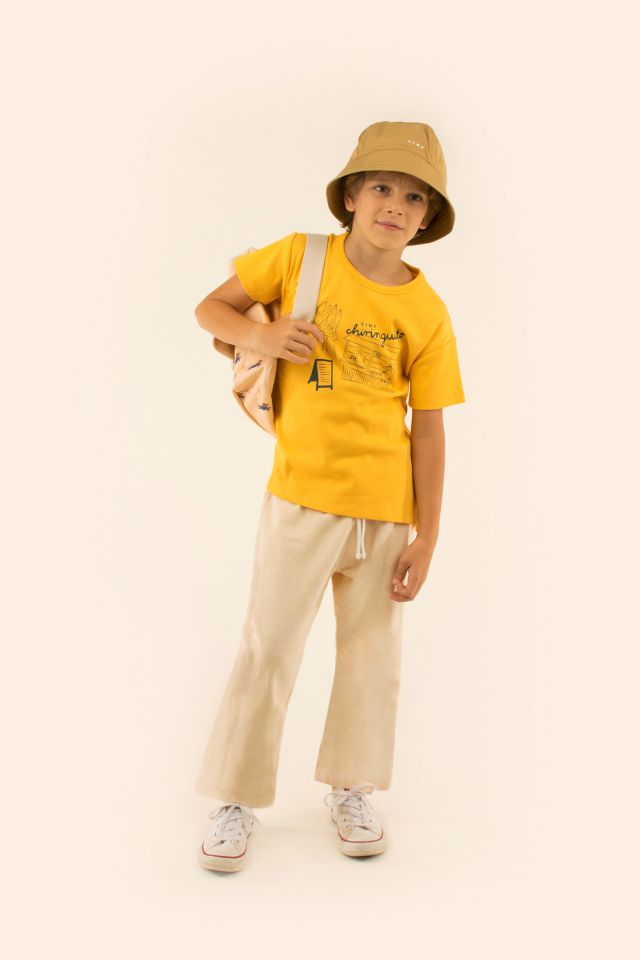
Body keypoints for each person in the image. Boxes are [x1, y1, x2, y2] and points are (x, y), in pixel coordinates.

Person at [193, 120, 466, 872]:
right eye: (381, 187)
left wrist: (427, 535)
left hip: (386, 513)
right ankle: (236, 798)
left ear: (427, 216)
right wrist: (264, 337)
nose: (395, 205)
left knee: (372, 659)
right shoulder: (299, 257)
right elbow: (210, 310)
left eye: (415, 196)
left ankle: (352, 789)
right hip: (300, 498)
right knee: (269, 648)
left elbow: (429, 429)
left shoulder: (428, 311)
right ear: (350, 196)